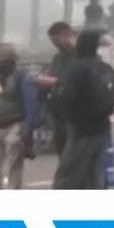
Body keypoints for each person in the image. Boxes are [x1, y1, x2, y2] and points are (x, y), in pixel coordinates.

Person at [52, 28, 114, 190]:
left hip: (81, 128)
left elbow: (66, 97)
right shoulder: (105, 68)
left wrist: (62, 114)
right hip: (102, 126)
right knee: (95, 171)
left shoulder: (77, 68)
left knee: (68, 173)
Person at [0, 43, 30, 189]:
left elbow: (30, 101)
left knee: (14, 163)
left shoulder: (21, 76)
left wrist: (27, 124)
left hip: (15, 124)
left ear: (8, 58)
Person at [37, 21, 78, 157]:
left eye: (56, 41)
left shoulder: (82, 57)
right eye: (52, 42)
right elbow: (52, 76)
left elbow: (81, 83)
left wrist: (56, 82)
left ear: (67, 35)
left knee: (74, 155)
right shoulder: (57, 58)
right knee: (62, 153)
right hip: (59, 114)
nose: (55, 45)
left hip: (76, 114)